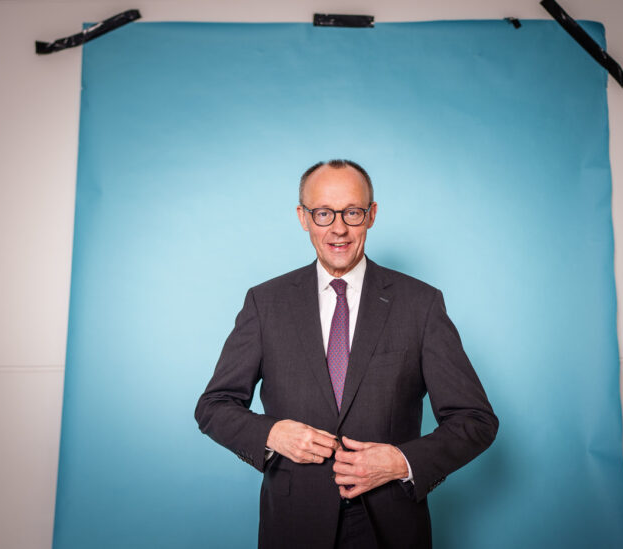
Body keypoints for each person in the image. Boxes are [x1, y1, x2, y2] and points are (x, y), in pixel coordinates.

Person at [195, 159, 498, 549]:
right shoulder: (265, 303)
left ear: (371, 215)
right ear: (303, 218)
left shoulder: (420, 304)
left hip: (391, 525)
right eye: (323, 213)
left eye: (352, 212)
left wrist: (402, 463)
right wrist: (271, 433)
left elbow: (475, 421)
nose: (338, 228)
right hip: (293, 525)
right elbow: (214, 406)